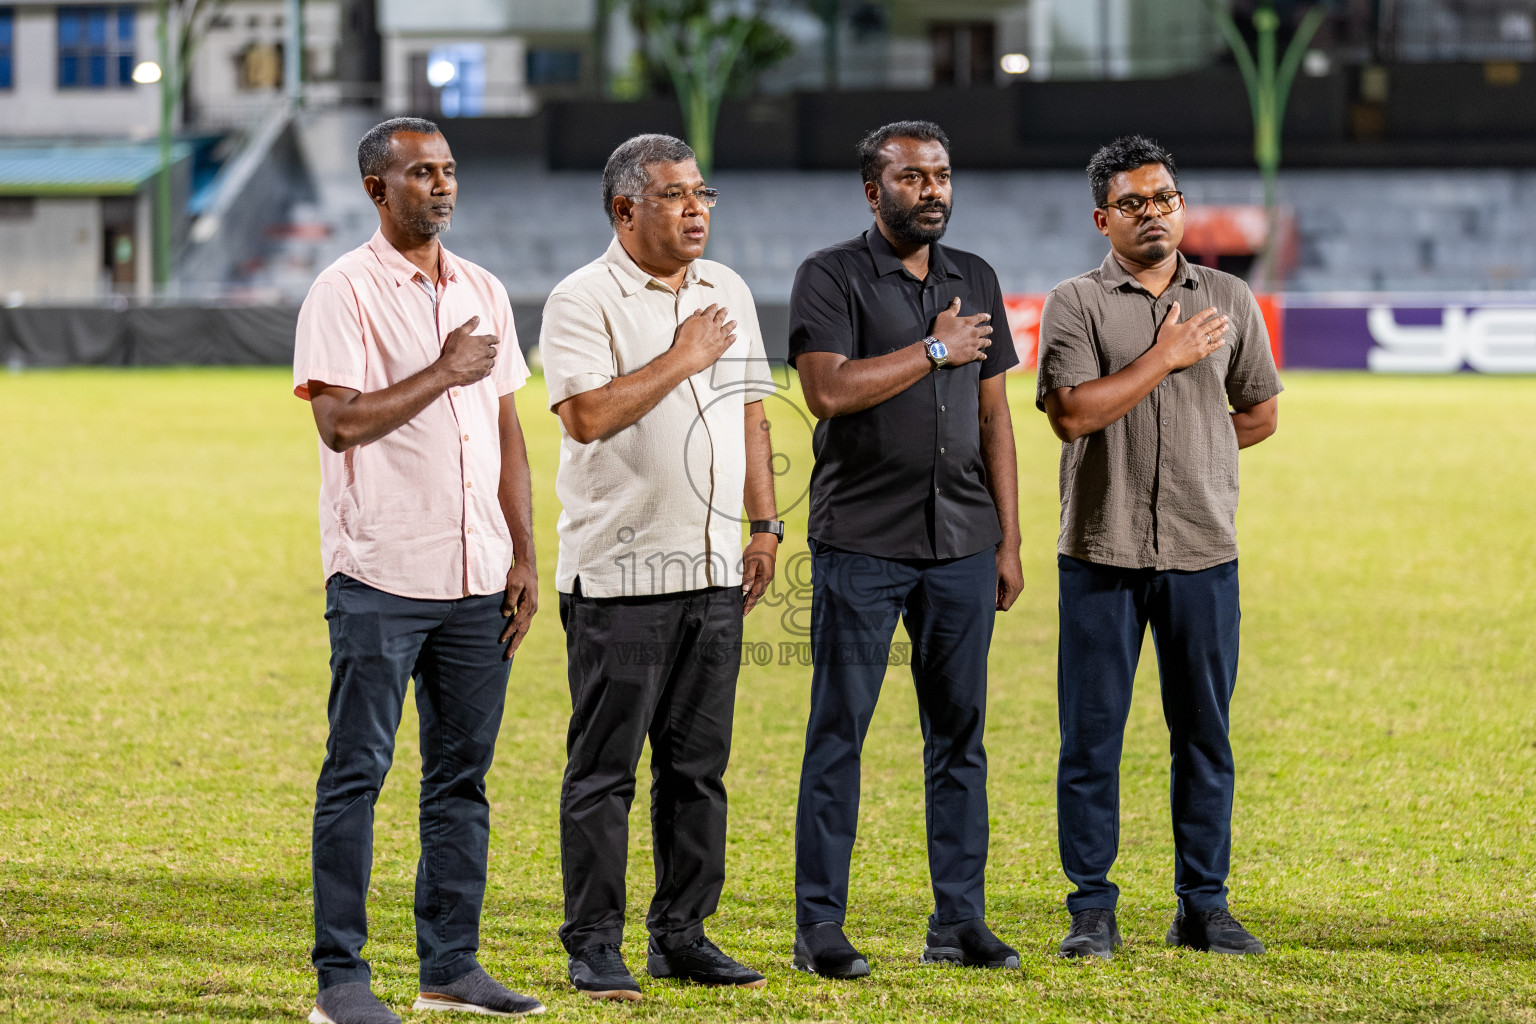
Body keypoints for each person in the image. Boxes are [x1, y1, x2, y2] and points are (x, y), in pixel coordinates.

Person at [292, 117, 544, 1024]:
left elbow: (507, 433)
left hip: (478, 577)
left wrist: (522, 551)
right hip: (382, 576)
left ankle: (450, 969)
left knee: (461, 781)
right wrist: (443, 370)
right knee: (356, 774)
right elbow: (341, 424)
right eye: (419, 173)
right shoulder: (343, 290)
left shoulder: (483, 287)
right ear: (376, 189)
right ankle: (341, 982)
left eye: (447, 171)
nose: (440, 186)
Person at [539, 133, 781, 1001]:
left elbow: (752, 412)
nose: (695, 210)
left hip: (717, 571)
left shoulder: (729, 290)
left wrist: (766, 525)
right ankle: (594, 945)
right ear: (624, 210)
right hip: (622, 576)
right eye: (675, 195)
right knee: (606, 772)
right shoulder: (581, 298)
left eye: (702, 193)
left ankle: (682, 935)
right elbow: (587, 417)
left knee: (697, 769)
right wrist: (681, 356)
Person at [786, 120, 1023, 979]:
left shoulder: (978, 277)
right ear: (873, 191)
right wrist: (933, 350)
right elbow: (826, 392)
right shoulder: (831, 274)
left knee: (960, 737)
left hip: (962, 542)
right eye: (915, 178)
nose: (933, 191)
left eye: (943, 177)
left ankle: (959, 922)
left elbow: (995, 417)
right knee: (838, 734)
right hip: (860, 542)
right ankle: (821, 927)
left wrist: (1008, 541)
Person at [1036, 135, 1282, 961]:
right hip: (1101, 552)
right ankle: (1090, 908)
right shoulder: (1075, 303)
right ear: (1103, 217)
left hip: (1203, 550)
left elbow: (1259, 413)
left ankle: (1202, 906)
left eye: (1166, 198)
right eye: (1135, 203)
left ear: (1182, 206)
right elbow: (1073, 414)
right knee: (1091, 740)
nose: (1154, 213)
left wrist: (1197, 454)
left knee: (1204, 736)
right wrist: (1167, 356)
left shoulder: (1229, 298)